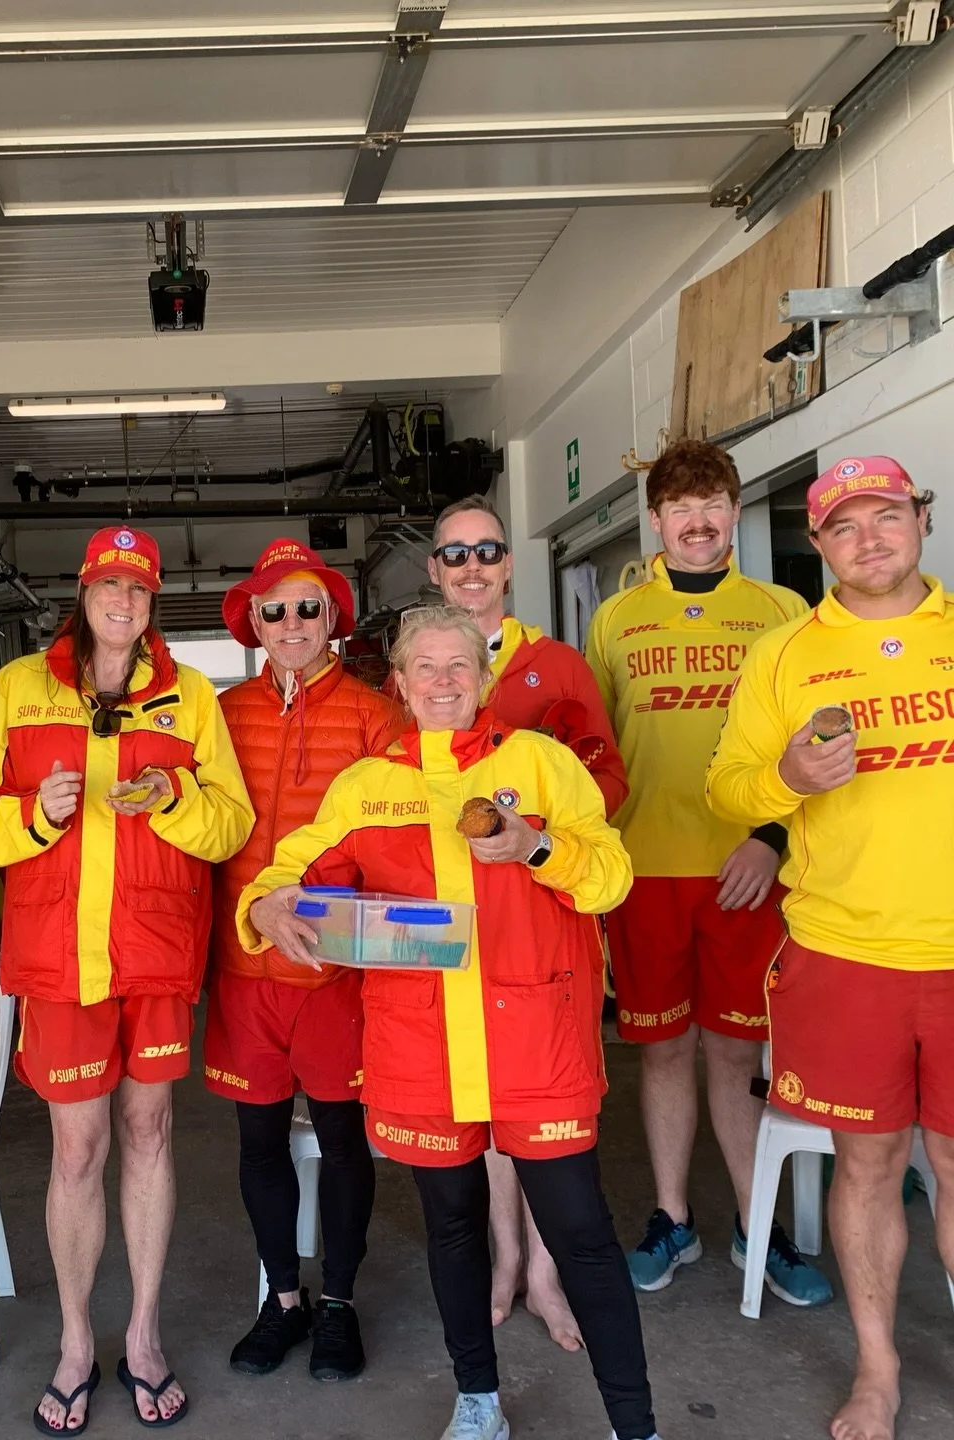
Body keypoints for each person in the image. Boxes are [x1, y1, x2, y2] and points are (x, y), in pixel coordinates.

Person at [240, 604, 660, 1440]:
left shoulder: (537, 764)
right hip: (422, 1047)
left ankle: (635, 1424)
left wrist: (536, 849)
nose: (443, 681)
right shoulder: (370, 782)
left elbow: (611, 875)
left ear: (485, 678)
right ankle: (477, 1400)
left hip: (536, 1039)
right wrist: (268, 901)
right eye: (424, 668)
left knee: (582, 1232)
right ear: (398, 682)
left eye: (459, 666)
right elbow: (295, 866)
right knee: (455, 1226)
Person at [0, 527, 253, 1436]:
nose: (122, 600)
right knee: (78, 1149)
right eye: (107, 585)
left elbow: (231, 827)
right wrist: (34, 818)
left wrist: (177, 801)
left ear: (153, 600)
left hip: (155, 953)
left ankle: (145, 1333)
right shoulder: (18, 687)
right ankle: (78, 1339)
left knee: (151, 1130)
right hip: (58, 961)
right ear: (82, 594)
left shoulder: (190, 694)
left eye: (138, 587)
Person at [708, 456, 954, 1440]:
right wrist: (788, 776)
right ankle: (880, 1370)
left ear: (920, 520)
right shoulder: (783, 655)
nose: (869, 539)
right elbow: (727, 788)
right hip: (844, 951)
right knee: (867, 1161)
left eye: (885, 516)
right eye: (844, 527)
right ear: (817, 546)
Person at [585, 440, 831, 1306]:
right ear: (655, 521)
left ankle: (754, 1229)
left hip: (746, 870)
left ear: (734, 511)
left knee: (735, 1056)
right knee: (660, 1054)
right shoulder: (616, 620)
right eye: (681, 508)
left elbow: (808, 748)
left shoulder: (784, 610)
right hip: (646, 870)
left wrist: (769, 836)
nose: (699, 521)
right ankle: (672, 1218)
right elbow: (600, 753)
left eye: (714, 503)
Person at [426, 494, 627, 1349]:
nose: (473, 566)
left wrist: (538, 832)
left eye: (488, 551)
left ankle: (546, 1274)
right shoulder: (427, 666)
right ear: (436, 572)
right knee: (484, 1099)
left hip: (547, 924)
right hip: (460, 934)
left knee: (544, 1112)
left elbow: (609, 786)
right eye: (455, 554)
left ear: (510, 565)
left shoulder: (558, 668)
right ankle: (507, 1260)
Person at [207, 538, 403, 1380]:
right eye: (274, 609)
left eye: (307, 608)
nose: (291, 623)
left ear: (334, 618)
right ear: (253, 621)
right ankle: (282, 1298)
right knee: (257, 1141)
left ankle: (338, 1303)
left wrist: (319, 910)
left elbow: (391, 843)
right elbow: (203, 832)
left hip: (334, 972)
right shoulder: (221, 712)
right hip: (244, 968)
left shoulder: (374, 713)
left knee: (341, 1137)